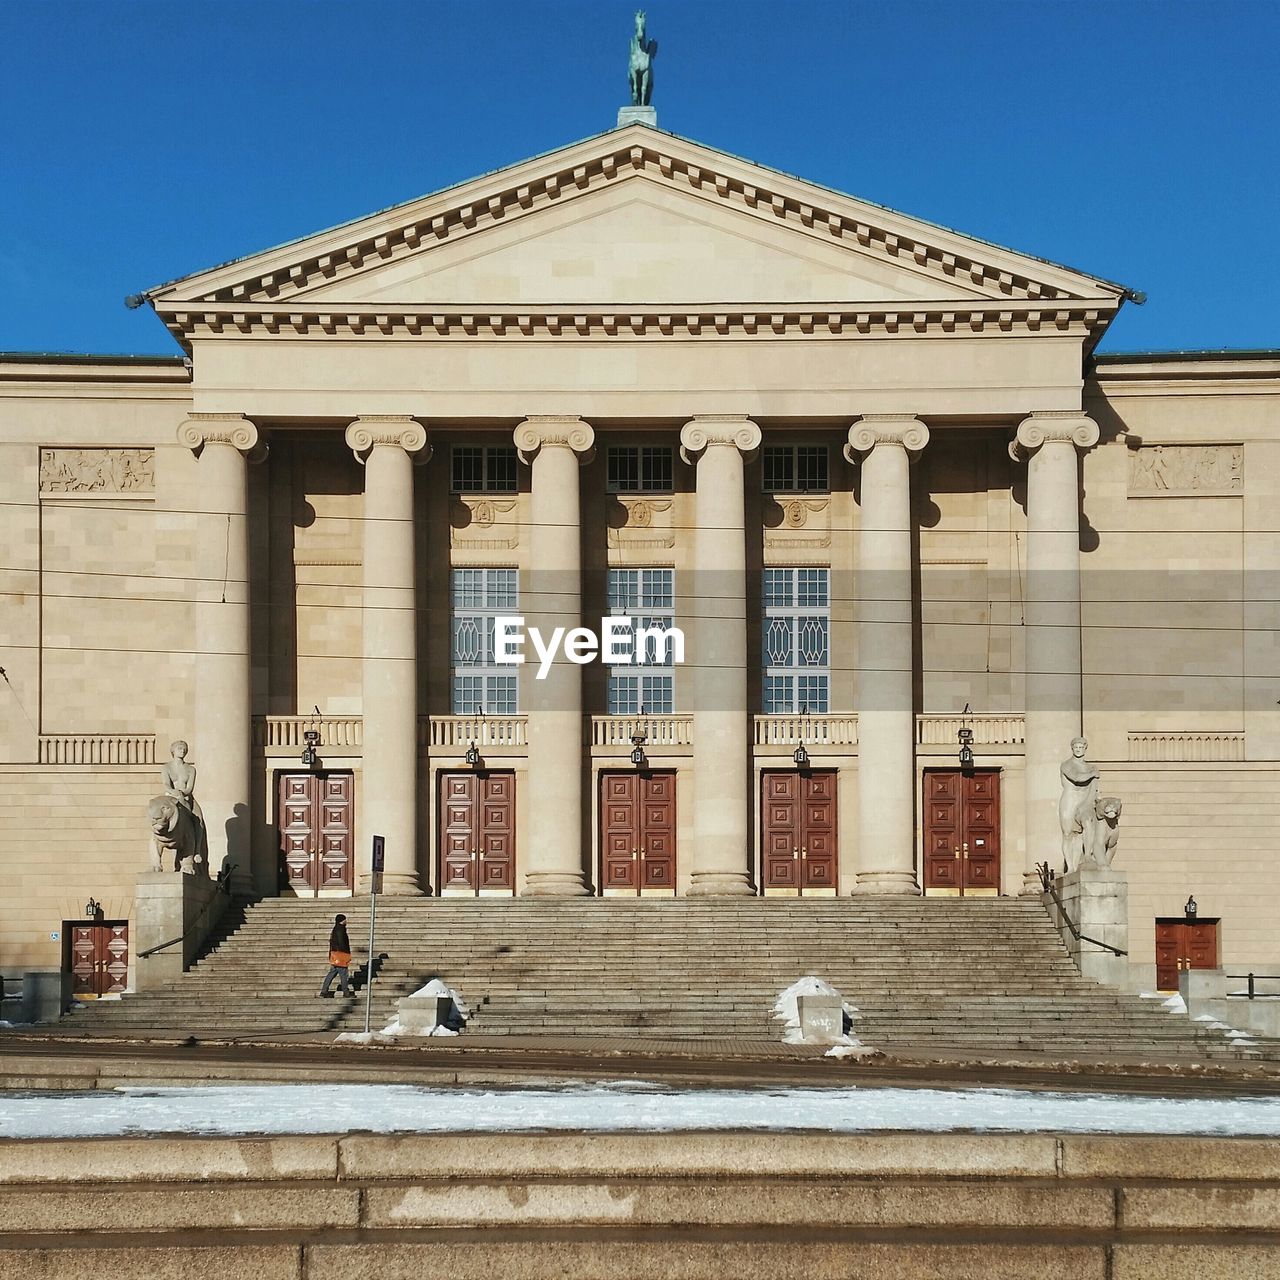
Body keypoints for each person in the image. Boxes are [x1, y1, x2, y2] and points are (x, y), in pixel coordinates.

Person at [319, 913, 352, 998]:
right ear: (342, 920)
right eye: (345, 919)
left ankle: (324, 991)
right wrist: (345, 953)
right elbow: (341, 943)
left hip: (335, 955)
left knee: (331, 973)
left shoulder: (335, 929)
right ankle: (346, 992)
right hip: (340, 955)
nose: (346, 921)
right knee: (343, 974)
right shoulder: (341, 929)